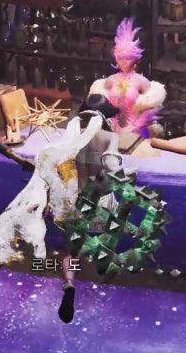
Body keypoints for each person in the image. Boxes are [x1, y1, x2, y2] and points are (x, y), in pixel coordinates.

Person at [58, 94, 123, 324]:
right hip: (100, 204)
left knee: (72, 252)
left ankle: (69, 284)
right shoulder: (110, 137)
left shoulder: (72, 137)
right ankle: (102, 267)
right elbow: (111, 166)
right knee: (106, 237)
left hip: (75, 203)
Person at [88, 17, 165, 136]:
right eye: (120, 58)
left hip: (136, 132)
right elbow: (102, 108)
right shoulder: (111, 80)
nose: (124, 62)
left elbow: (150, 112)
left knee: (146, 139)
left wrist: (145, 135)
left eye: (128, 58)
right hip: (112, 131)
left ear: (135, 59)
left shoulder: (141, 81)